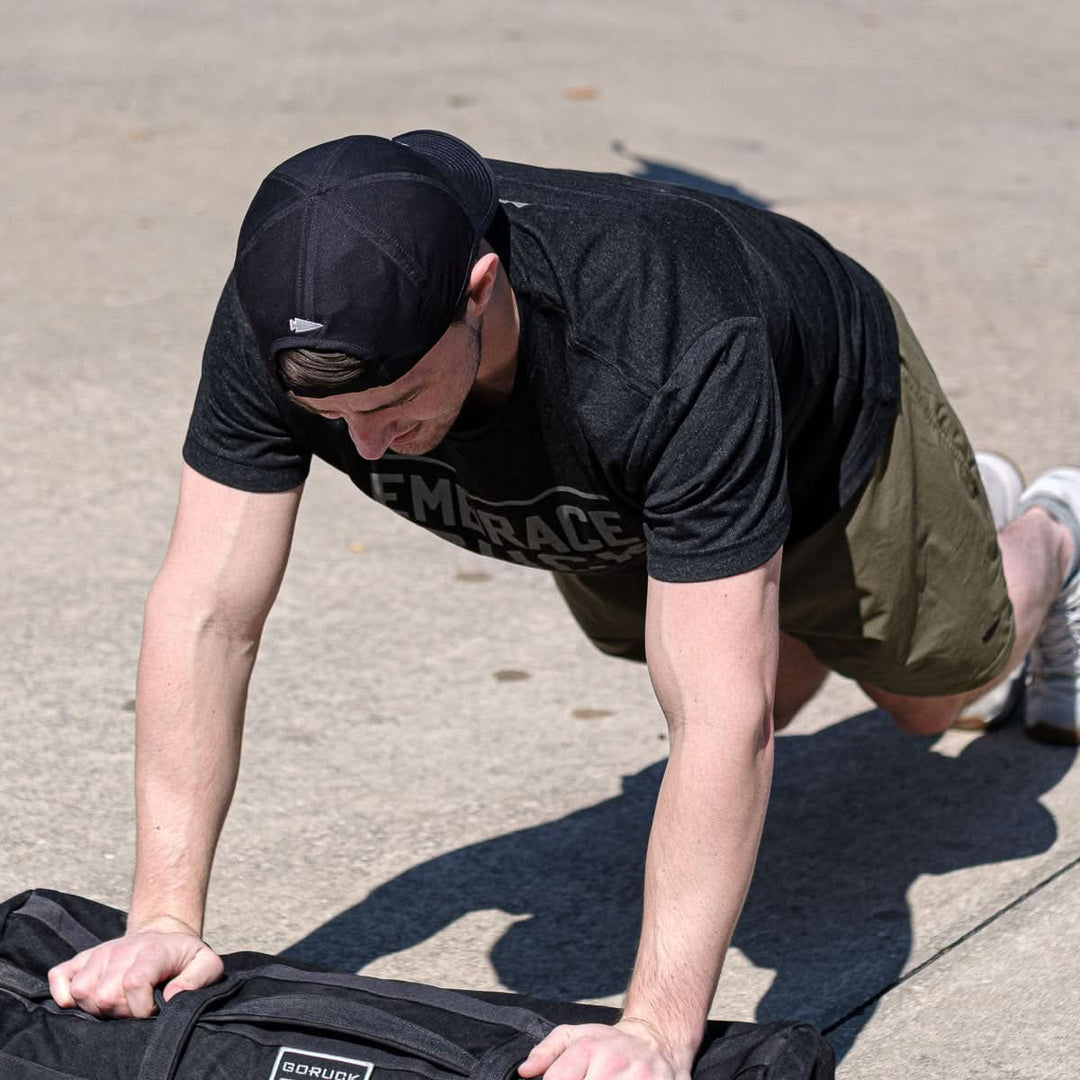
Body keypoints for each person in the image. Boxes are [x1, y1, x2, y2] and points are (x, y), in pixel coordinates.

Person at [48, 130, 1080, 1080]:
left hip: (827, 431)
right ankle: (922, 559)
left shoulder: (667, 342)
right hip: (630, 490)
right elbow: (207, 614)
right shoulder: (280, 313)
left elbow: (723, 721)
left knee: (933, 700)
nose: (362, 447)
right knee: (736, 657)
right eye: (333, 417)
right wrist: (162, 917)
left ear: (478, 291)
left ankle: (1042, 534)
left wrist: (654, 1029)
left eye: (394, 404)